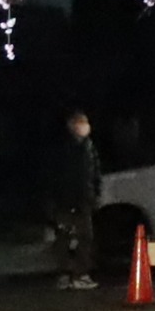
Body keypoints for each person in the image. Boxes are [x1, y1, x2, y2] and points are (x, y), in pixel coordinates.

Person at [51, 109, 102, 289]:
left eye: (85, 122)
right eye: (79, 123)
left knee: (85, 237)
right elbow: (59, 177)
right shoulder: (64, 149)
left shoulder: (88, 147)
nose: (84, 126)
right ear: (71, 126)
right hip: (66, 201)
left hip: (84, 200)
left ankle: (80, 273)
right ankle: (66, 275)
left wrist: (95, 195)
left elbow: (95, 174)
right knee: (65, 238)